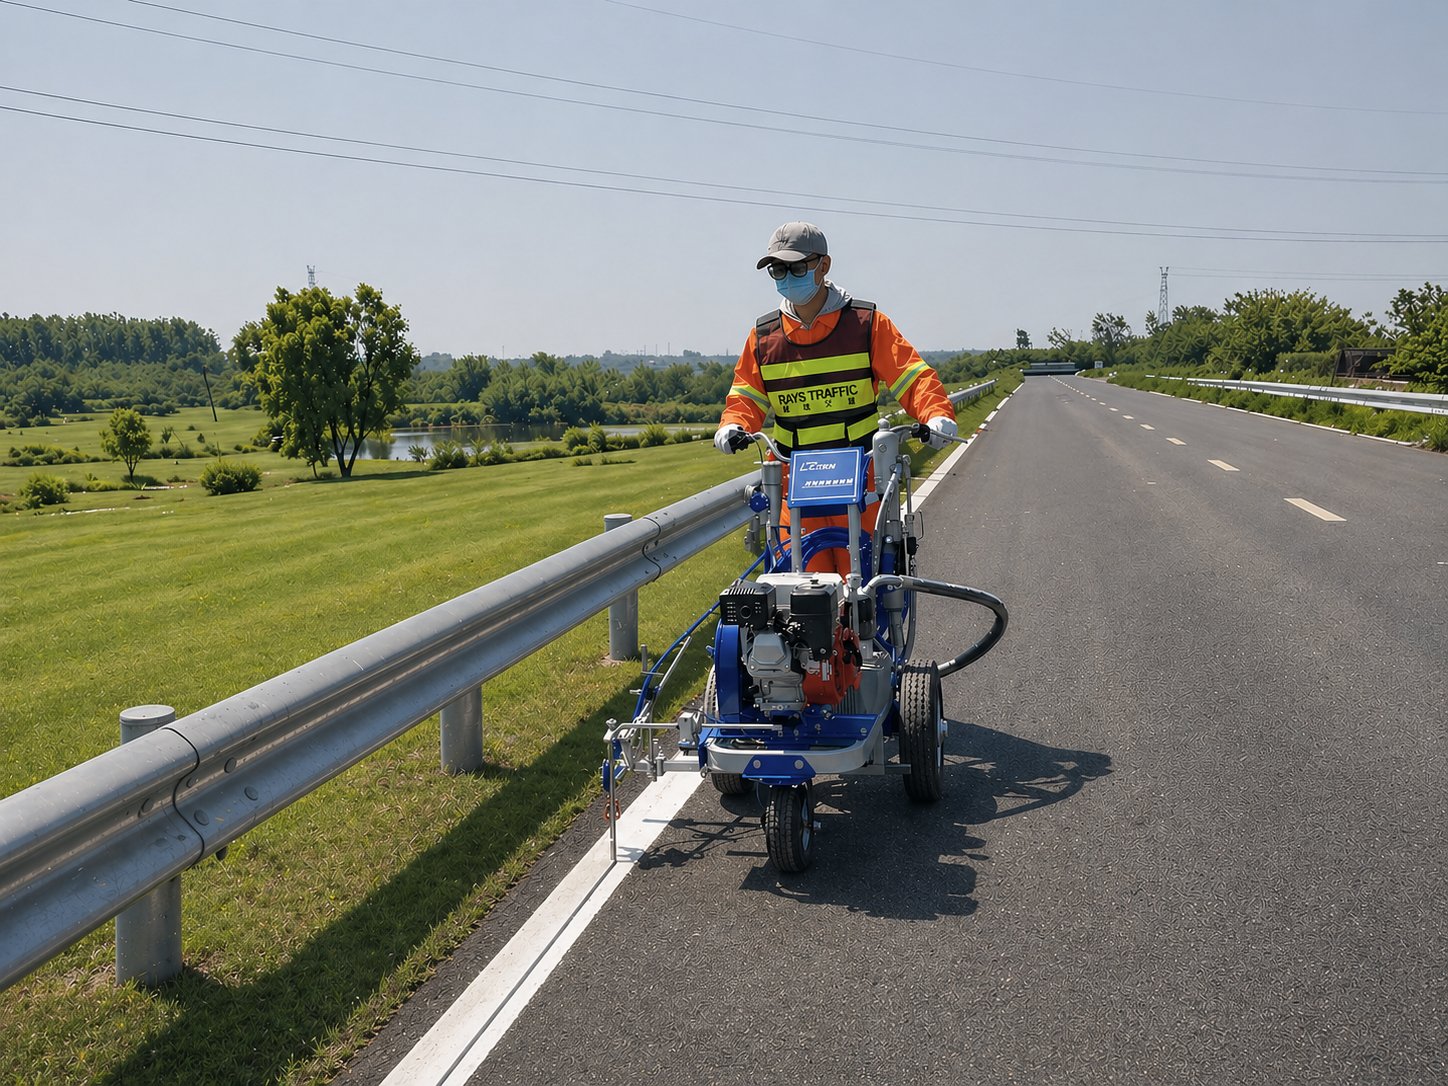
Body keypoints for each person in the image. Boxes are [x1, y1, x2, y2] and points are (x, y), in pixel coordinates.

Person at [715, 221, 958, 573]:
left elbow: (911, 376)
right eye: (778, 270)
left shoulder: (866, 324)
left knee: (867, 585)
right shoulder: (764, 337)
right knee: (799, 592)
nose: (787, 277)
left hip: (861, 481)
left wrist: (936, 414)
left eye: (797, 267)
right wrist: (733, 424)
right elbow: (746, 396)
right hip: (794, 485)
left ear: (824, 265)